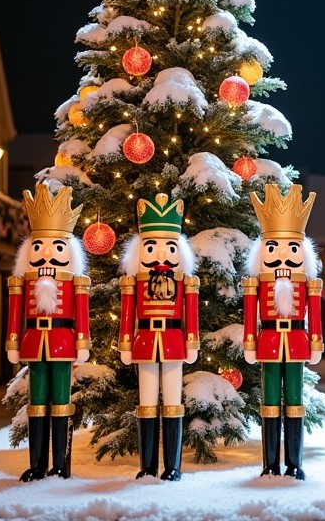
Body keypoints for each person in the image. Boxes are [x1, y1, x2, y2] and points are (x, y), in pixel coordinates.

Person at [6, 181, 90, 481]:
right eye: (39, 246)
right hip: (33, 342)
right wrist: (12, 341)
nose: (47, 253)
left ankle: (60, 464)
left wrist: (83, 341)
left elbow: (81, 312)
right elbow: (15, 312)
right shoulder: (24, 281)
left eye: (56, 247)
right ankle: (38, 463)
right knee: (37, 403)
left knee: (62, 403)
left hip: (63, 341)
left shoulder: (74, 281)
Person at [243, 184, 323, 479]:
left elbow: (314, 314)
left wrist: (316, 343)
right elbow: (250, 314)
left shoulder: (307, 283)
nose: (283, 255)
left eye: (291, 248)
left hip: (298, 340)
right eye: (274, 247)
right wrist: (250, 343)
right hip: (268, 340)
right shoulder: (257, 283)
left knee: (295, 403)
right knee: (269, 403)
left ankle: (294, 462)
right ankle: (269, 463)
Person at [119, 192, 200, 480]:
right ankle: (148, 466)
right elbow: (128, 312)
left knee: (174, 402)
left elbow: (191, 313)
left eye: (169, 247)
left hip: (174, 341)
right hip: (144, 342)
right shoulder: (135, 280)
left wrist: (192, 341)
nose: (162, 254)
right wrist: (125, 343)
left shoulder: (185, 281)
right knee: (147, 402)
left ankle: (173, 466)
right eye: (152, 247)